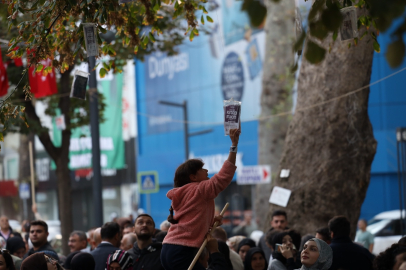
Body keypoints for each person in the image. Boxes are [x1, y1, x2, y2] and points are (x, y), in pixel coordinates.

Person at [161, 128, 240, 270]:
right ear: (193, 177)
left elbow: (192, 221)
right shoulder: (199, 189)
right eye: (203, 169)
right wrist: (234, 145)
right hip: (182, 250)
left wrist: (210, 221)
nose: (207, 171)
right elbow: (224, 176)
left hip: (168, 249)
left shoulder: (183, 193)